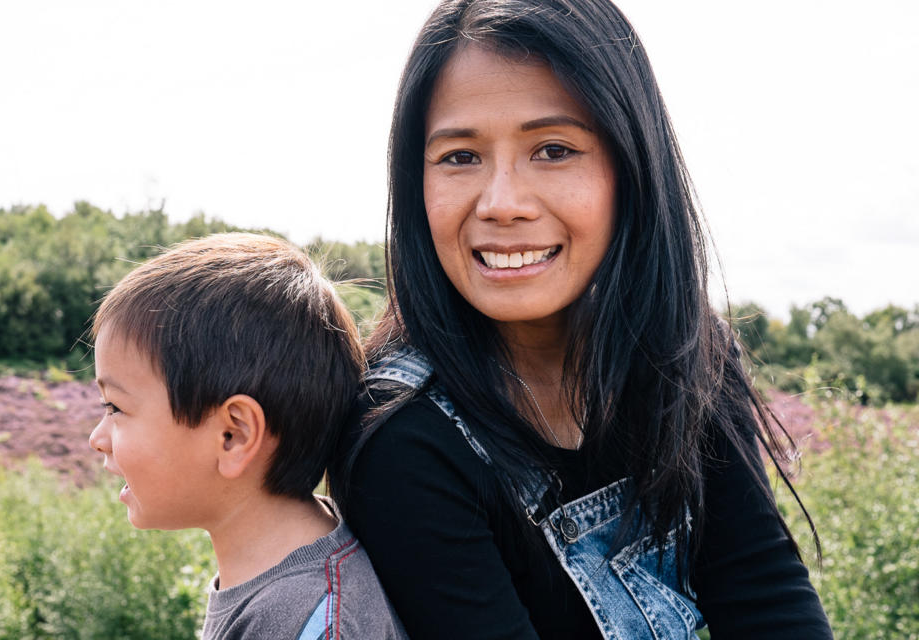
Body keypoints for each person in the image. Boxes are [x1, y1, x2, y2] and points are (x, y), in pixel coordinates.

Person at [329, 1, 833, 638]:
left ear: (632, 167)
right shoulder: (404, 440)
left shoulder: (686, 359)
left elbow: (765, 597)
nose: (502, 203)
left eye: (554, 149)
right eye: (460, 157)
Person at [88, 233, 407, 640]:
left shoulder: (317, 623)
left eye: (116, 408)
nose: (98, 438)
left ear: (233, 435)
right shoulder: (280, 580)